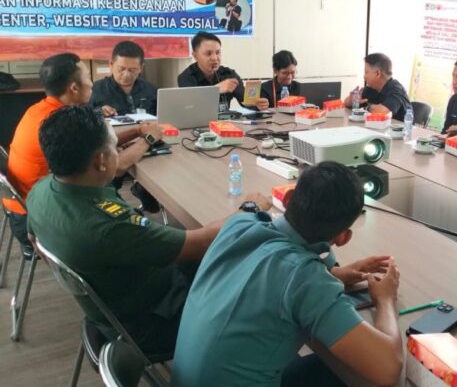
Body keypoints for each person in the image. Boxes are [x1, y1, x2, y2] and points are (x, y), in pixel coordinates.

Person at [25, 105, 270, 357]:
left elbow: (33, 238)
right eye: (114, 149)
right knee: (257, 278)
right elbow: (199, 244)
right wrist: (249, 209)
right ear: (100, 161)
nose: (117, 153)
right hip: (155, 319)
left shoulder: (40, 192)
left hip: (112, 307)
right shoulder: (108, 226)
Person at [172, 161, 403, 386]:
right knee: (347, 373)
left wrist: (336, 274)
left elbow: (273, 272)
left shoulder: (237, 225)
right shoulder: (306, 279)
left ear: (287, 198)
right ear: (344, 238)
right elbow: (388, 370)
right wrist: (385, 300)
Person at [6, 53, 164, 255]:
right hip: (39, 217)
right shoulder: (61, 122)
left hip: (32, 205)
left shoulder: (42, 111)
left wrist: (137, 130)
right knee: (132, 233)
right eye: (88, 77)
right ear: (74, 88)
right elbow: (115, 167)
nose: (91, 83)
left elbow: (96, 143)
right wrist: (148, 139)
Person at [177, 31, 269, 111]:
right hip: (198, 123)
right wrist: (216, 90)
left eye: (218, 53)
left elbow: (245, 101)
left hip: (224, 123)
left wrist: (258, 104)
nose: (215, 58)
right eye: (208, 53)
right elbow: (190, 107)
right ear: (195, 56)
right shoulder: (186, 77)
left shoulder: (229, 74)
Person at [90, 41, 158, 116]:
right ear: (111, 64)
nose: (126, 74)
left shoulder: (150, 90)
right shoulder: (96, 90)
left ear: (141, 68)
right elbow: (84, 116)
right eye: (121, 69)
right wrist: (99, 112)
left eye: (132, 70)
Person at [344, 53, 410, 121]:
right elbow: (346, 103)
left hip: (399, 127)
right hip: (377, 127)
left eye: (366, 72)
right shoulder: (370, 89)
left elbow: (382, 112)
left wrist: (366, 108)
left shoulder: (396, 90)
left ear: (378, 73)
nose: (364, 76)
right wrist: (351, 101)